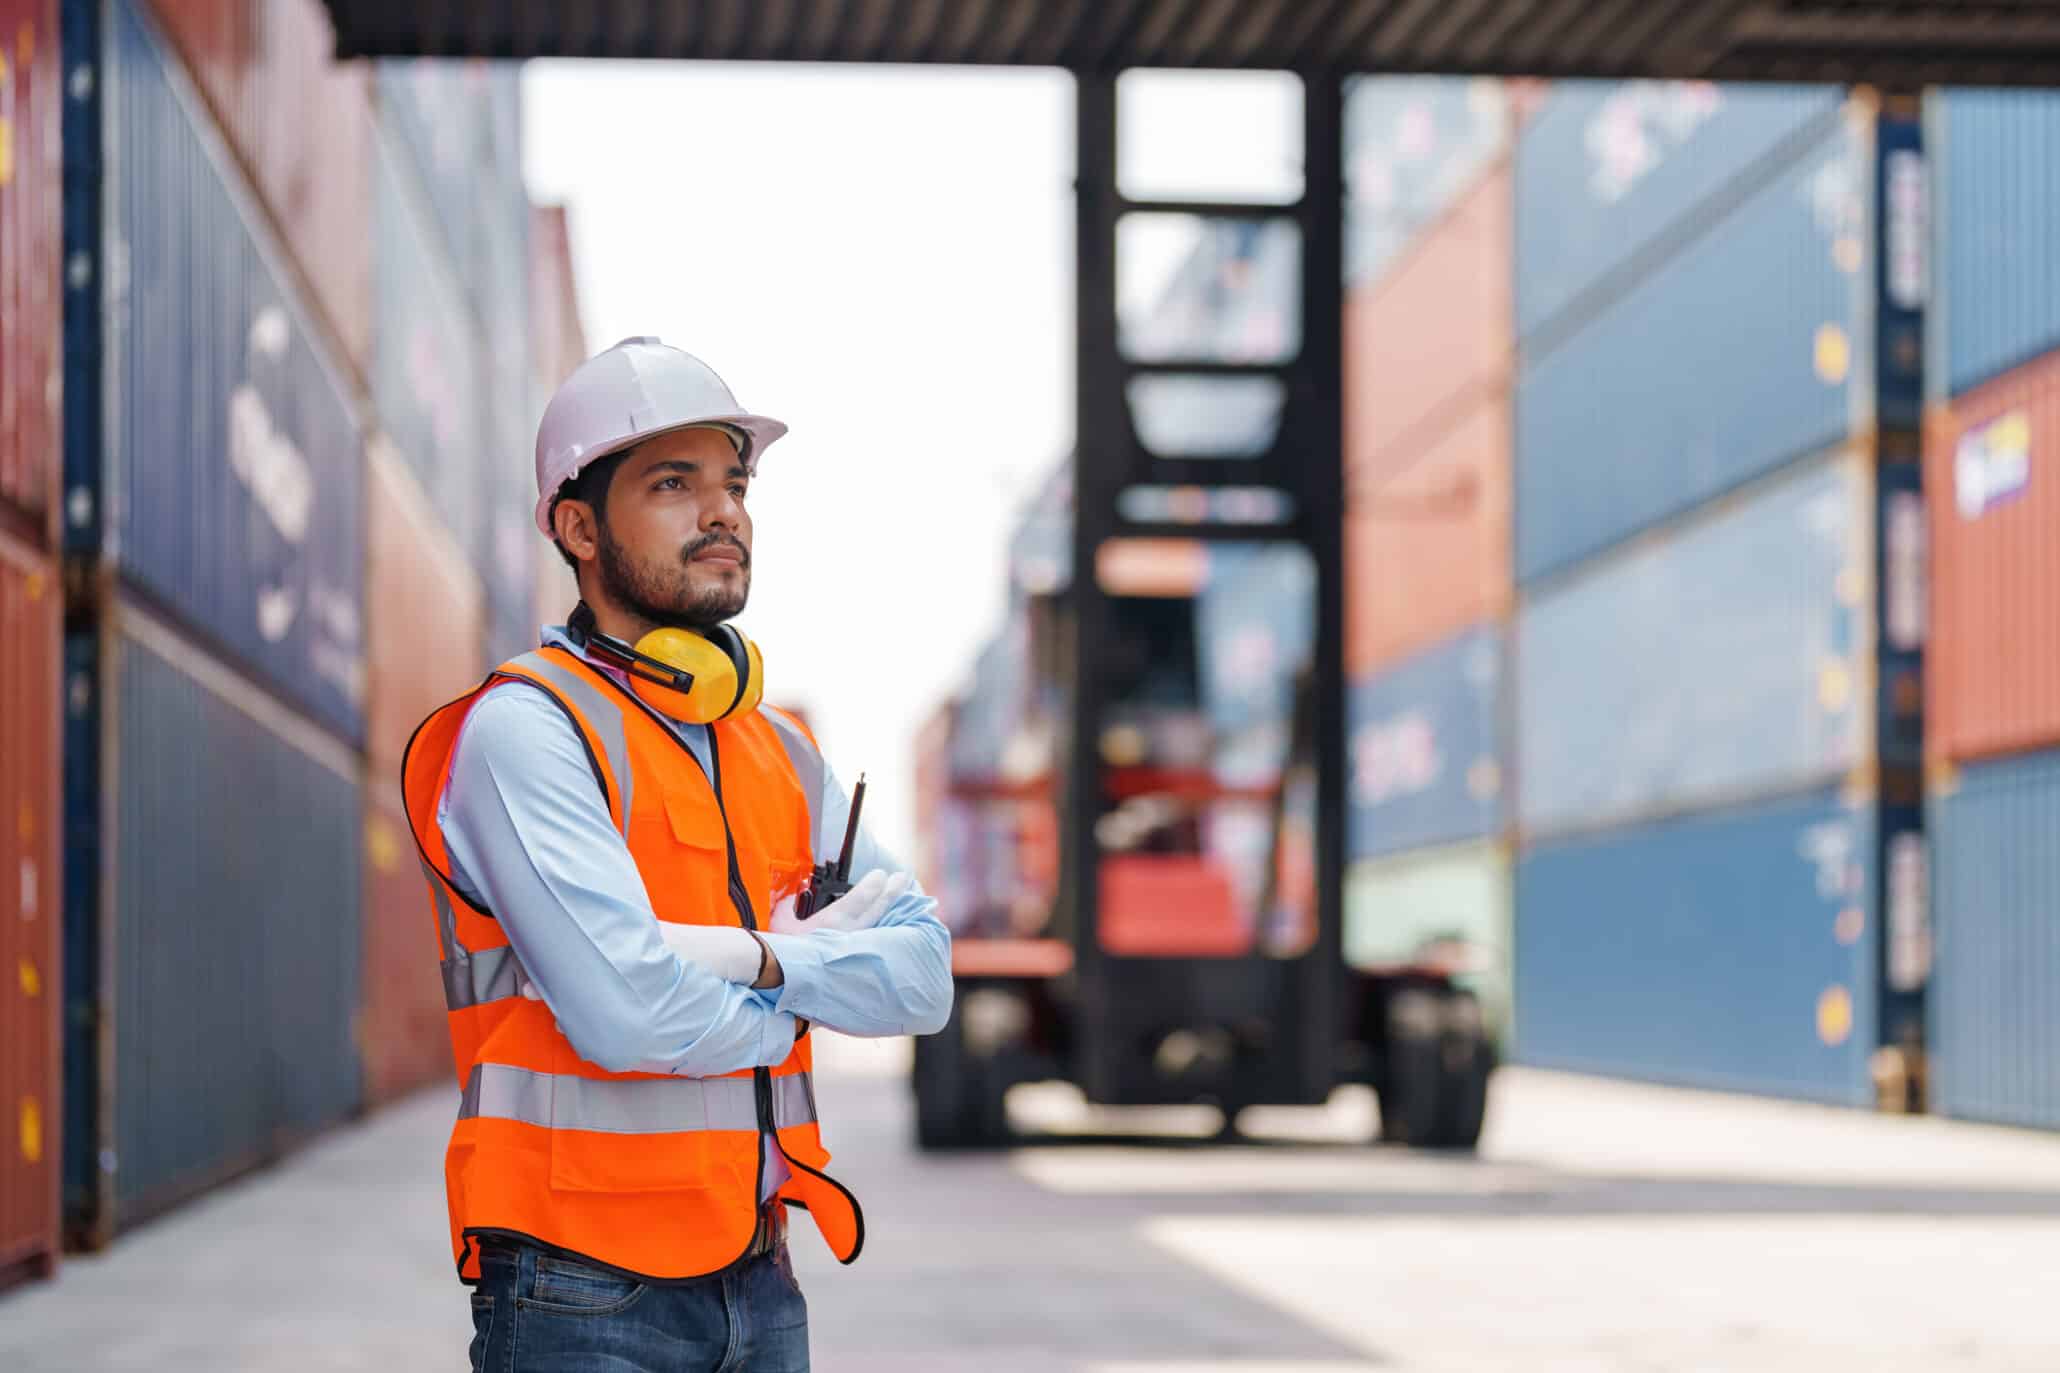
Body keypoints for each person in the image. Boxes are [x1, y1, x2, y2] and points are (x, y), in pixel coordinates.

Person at [400, 337, 954, 1372]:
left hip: (759, 1269)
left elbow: (924, 978)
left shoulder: (781, 750)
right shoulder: (528, 730)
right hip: (580, 1288)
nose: (724, 512)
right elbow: (623, 1013)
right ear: (577, 527)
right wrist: (819, 981)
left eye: (733, 483)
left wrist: (750, 958)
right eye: (672, 483)